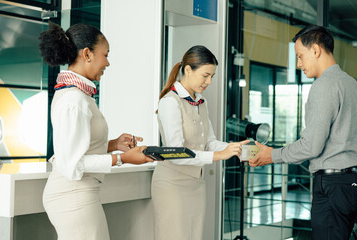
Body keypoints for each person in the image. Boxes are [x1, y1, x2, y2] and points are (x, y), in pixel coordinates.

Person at [249, 25, 357, 240]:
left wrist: (272, 155)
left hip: (334, 184)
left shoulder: (324, 85)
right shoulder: (351, 84)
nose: (299, 64)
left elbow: (312, 145)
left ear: (316, 50)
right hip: (355, 183)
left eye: (300, 56)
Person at [38, 22, 153, 240]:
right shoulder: (74, 99)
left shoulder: (77, 95)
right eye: (106, 55)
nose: (108, 63)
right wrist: (123, 158)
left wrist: (112, 145)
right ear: (87, 54)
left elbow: (76, 148)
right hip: (73, 197)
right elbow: (72, 165)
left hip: (77, 196)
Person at [152, 45, 249, 240]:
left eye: (212, 76)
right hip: (172, 186)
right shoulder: (170, 102)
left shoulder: (200, 102)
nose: (209, 81)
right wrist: (219, 155)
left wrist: (234, 148)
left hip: (196, 184)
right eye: (205, 75)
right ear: (188, 70)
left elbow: (209, 142)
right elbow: (176, 152)